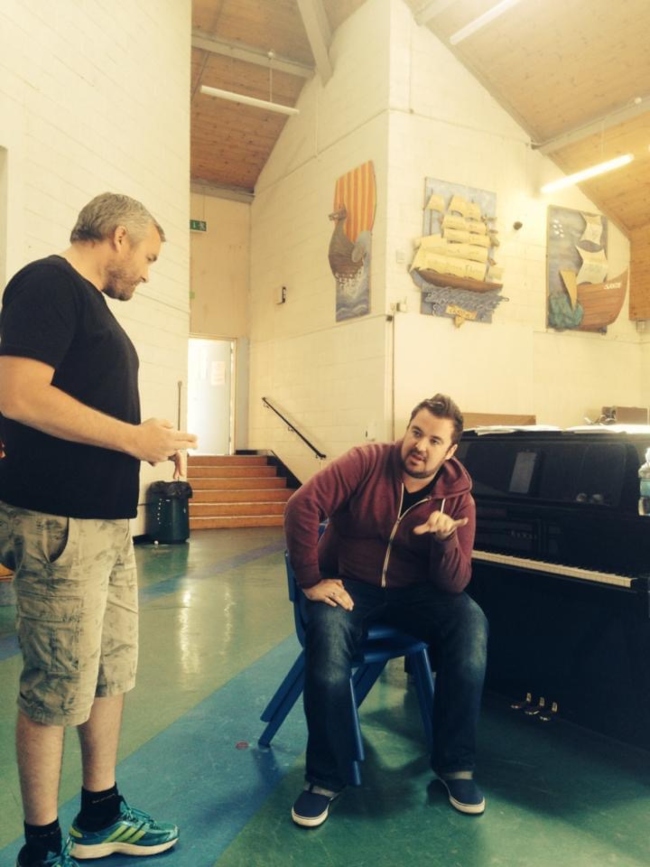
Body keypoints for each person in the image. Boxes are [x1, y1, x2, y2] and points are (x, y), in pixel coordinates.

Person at [0, 193, 198, 867]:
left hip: (107, 528)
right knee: (56, 687)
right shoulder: (46, 283)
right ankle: (41, 846)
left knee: (110, 673)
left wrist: (152, 440)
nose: (146, 273)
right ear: (120, 238)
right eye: (147, 257)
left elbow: (88, 408)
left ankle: (100, 813)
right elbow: (19, 393)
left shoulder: (93, 308)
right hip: (60, 527)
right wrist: (132, 438)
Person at [284, 394, 488, 828]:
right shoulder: (366, 462)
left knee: (470, 623)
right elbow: (302, 506)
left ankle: (456, 767)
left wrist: (445, 540)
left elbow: (454, 585)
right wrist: (309, 581)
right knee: (329, 646)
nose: (420, 446)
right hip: (350, 586)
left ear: (450, 451)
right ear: (407, 429)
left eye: (435, 440)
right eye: (416, 432)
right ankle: (325, 778)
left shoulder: (459, 499)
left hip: (417, 594)